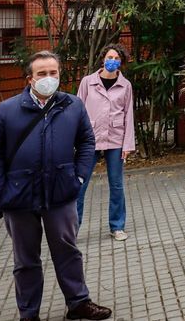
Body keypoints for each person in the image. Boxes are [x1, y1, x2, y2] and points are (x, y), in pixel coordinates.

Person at [0, 50, 111, 321]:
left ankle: (78, 303)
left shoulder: (73, 106)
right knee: (26, 260)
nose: (48, 78)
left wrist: (78, 178)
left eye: (53, 73)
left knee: (68, 251)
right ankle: (29, 313)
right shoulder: (7, 110)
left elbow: (87, 142)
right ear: (30, 78)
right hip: (19, 198)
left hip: (61, 194)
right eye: (42, 74)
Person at [75, 43, 135, 241]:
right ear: (103, 59)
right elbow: (78, 111)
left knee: (116, 185)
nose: (113, 61)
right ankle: (71, 229)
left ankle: (117, 226)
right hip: (89, 139)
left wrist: (127, 145)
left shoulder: (125, 85)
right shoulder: (87, 82)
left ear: (121, 62)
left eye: (117, 59)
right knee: (79, 185)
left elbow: (129, 116)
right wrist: (75, 140)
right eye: (110, 57)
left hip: (115, 139)